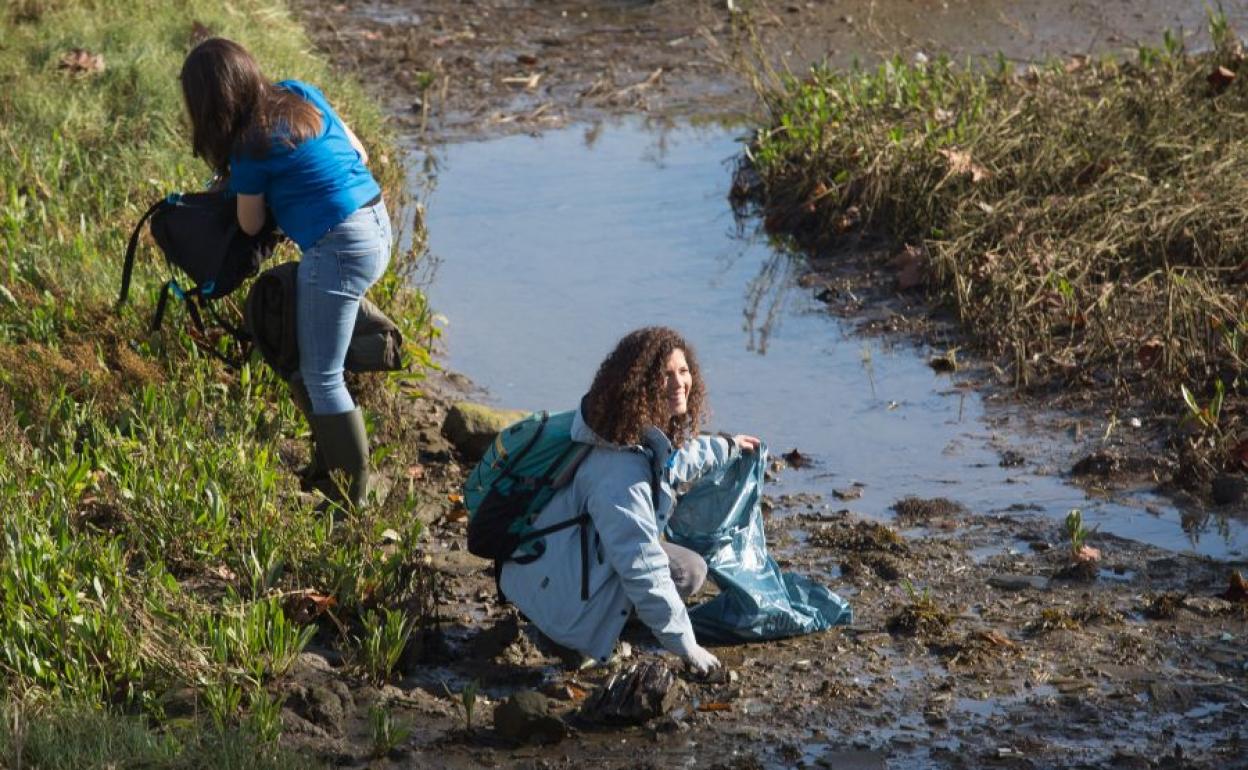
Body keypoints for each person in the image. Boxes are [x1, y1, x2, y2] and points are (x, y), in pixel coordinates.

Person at [180, 37, 390, 507]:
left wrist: (243, 185)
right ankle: (329, 461)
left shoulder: (249, 147)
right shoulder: (299, 91)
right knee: (305, 333)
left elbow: (249, 223)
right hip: (377, 223)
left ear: (210, 101)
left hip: (339, 246)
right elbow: (360, 152)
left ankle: (350, 499)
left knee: (321, 375)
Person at [499, 326, 761, 674]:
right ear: (640, 385)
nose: (679, 383)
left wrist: (726, 446)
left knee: (688, 568)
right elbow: (642, 564)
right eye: (664, 375)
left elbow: (673, 462)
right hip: (555, 596)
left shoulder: (625, 434)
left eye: (683, 371)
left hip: (560, 567)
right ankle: (572, 636)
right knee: (682, 571)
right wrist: (687, 646)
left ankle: (603, 624)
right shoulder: (617, 468)